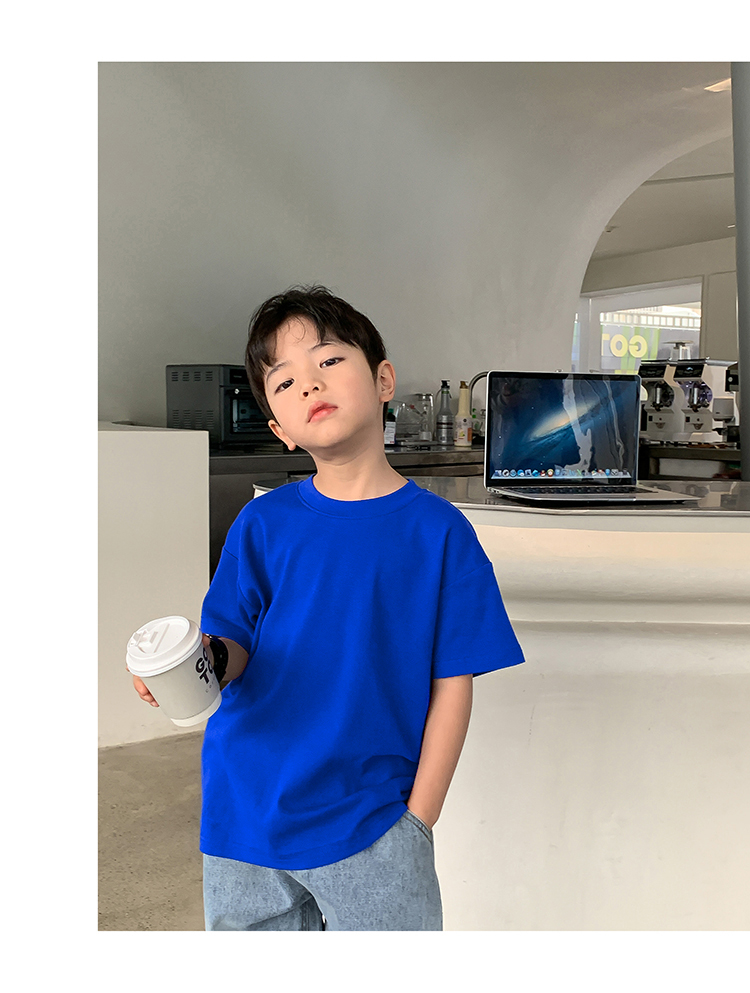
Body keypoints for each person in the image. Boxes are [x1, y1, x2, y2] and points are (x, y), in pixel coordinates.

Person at [133, 285, 525, 930]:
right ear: (279, 430)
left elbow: (453, 683)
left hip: (372, 819)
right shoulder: (262, 523)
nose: (310, 384)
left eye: (330, 360)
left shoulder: (439, 533)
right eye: (285, 382)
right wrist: (199, 664)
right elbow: (233, 643)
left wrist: (418, 818)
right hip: (245, 810)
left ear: (383, 380)